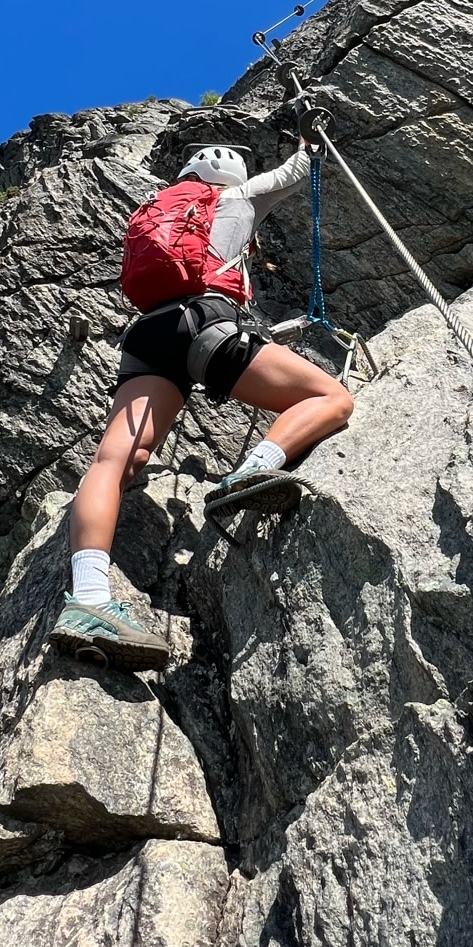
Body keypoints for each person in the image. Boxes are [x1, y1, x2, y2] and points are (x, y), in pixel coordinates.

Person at [55, 125, 354, 669]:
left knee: (116, 459)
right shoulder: (235, 197)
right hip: (206, 323)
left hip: (147, 335)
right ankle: (251, 472)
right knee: (329, 397)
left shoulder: (156, 209)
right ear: (229, 174)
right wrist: (311, 141)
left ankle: (88, 601)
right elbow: (293, 174)